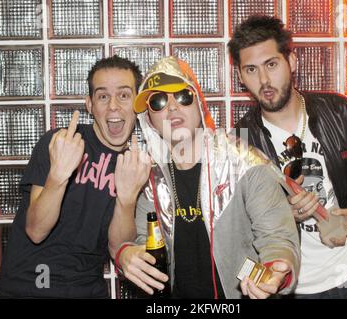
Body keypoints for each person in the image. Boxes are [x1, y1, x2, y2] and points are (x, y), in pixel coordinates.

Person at [228, 15, 347, 299]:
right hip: (296, 285)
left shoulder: (338, 112)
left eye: (271, 64)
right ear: (241, 76)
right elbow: (239, 222)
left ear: (291, 62)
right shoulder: (242, 141)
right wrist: (284, 215)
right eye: (251, 70)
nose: (265, 80)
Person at [115, 56, 300, 299]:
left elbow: (277, 236)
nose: (172, 107)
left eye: (183, 96)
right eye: (158, 101)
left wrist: (276, 269)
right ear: (148, 119)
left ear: (199, 104)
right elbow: (140, 242)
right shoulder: (149, 176)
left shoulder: (244, 162)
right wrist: (127, 254)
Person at [0, 56, 151, 298]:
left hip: (86, 290)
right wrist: (58, 176)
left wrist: (127, 198)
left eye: (123, 95)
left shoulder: (136, 166)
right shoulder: (61, 142)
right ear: (89, 105)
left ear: (137, 104)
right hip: (26, 288)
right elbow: (36, 230)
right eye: (102, 96)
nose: (113, 106)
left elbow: (118, 249)